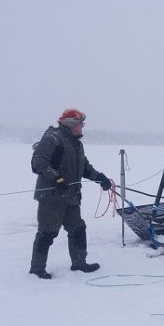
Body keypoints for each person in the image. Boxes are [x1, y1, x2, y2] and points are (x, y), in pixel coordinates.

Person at [29, 108, 112, 279]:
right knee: (48, 233)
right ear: (71, 124)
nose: (82, 127)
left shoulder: (76, 143)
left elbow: (85, 167)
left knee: (78, 228)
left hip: (71, 197)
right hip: (52, 198)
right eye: (80, 123)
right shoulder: (53, 138)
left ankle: (79, 263)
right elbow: (38, 162)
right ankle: (37, 270)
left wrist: (100, 178)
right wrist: (57, 179)